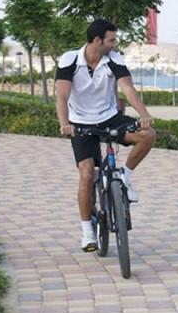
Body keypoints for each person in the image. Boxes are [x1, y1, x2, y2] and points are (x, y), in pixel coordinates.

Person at [55, 18, 156, 252]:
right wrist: (64, 123)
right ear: (97, 40)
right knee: (87, 174)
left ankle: (125, 177)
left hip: (109, 117)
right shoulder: (70, 59)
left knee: (148, 135)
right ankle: (87, 232)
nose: (114, 44)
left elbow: (127, 88)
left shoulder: (114, 58)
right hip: (80, 123)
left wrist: (144, 114)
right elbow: (61, 96)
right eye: (111, 40)